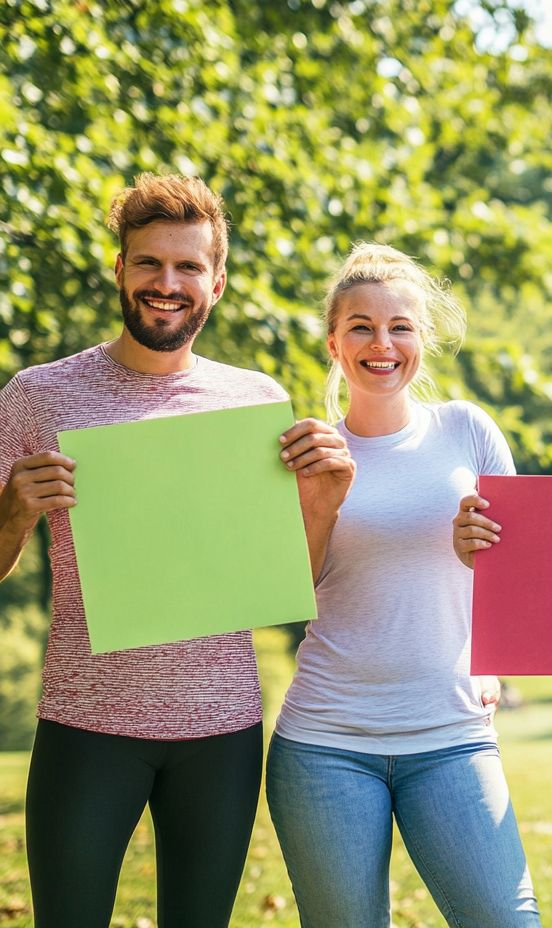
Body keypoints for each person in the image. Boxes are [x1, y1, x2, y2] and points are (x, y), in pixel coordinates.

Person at [0, 173, 354, 927]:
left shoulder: (254, 403)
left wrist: (322, 502)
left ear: (216, 282)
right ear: (120, 270)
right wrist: (10, 514)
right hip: (86, 727)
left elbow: (287, 580)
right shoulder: (38, 396)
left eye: (188, 266)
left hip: (221, 735)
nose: (168, 283)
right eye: (148, 263)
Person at [266, 243, 539, 928]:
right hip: (325, 742)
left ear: (424, 339)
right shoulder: (308, 451)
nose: (381, 343)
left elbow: (526, 576)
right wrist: (321, 503)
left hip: (451, 732)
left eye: (400, 326)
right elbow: (281, 596)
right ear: (334, 341)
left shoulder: (468, 431)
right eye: (361, 325)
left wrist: (494, 652)